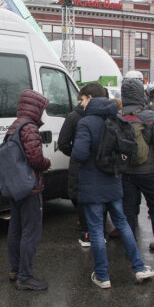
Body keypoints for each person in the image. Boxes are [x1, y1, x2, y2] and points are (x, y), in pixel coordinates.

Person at [71, 82, 154, 289]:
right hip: (114, 180)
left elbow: (79, 154)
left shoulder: (86, 123)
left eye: (82, 99)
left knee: (97, 230)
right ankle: (139, 267)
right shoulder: (117, 118)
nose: (81, 103)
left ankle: (102, 275)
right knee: (123, 224)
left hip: (92, 185)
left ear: (90, 99)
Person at [120, 79, 154, 260]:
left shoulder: (118, 117)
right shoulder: (150, 117)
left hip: (126, 172)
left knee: (129, 210)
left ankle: (130, 247)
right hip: (149, 172)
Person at [6, 89, 51, 291]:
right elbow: (35, 159)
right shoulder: (30, 127)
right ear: (36, 108)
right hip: (29, 187)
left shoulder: (15, 125)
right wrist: (46, 162)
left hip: (16, 186)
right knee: (31, 232)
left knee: (15, 229)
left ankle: (15, 270)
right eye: (42, 109)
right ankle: (25, 276)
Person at [57, 86, 92, 247]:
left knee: (78, 194)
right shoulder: (102, 116)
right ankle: (94, 229)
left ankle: (85, 229)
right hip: (96, 164)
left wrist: (76, 152)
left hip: (78, 163)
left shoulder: (72, 117)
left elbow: (63, 143)